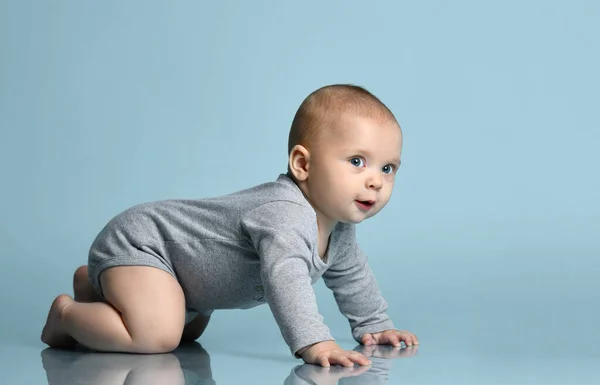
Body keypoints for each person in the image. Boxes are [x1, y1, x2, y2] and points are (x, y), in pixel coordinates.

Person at [41, 84, 419, 367]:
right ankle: (67, 315)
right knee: (157, 335)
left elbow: (353, 276)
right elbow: (285, 281)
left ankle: (95, 284)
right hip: (145, 243)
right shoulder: (285, 215)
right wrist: (315, 342)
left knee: (190, 331)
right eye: (357, 161)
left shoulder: (339, 230)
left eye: (388, 168)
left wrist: (374, 323)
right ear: (302, 165)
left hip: (184, 278)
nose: (376, 180)